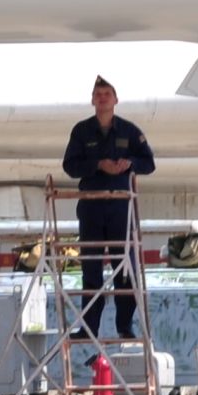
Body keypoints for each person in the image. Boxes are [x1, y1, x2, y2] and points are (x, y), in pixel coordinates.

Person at [60, 76, 155, 339]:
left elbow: (149, 163)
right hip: (91, 206)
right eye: (98, 94)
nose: (102, 98)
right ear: (92, 99)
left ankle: (125, 326)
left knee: (125, 269)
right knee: (91, 269)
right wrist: (98, 165)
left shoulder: (129, 131)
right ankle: (89, 328)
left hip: (120, 209)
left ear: (115, 99)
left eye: (106, 94)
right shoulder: (81, 131)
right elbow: (70, 166)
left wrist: (129, 164)